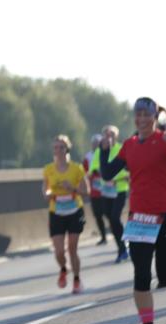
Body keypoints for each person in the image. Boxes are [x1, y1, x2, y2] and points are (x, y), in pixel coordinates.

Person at [99, 98, 166, 324]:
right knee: (141, 276)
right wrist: (103, 148)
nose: (142, 119)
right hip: (139, 219)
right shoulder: (129, 145)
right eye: (138, 114)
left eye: (146, 114)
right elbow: (108, 173)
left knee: (165, 276)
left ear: (155, 117)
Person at [43, 135, 90, 293]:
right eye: (55, 148)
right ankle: (64, 268)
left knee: (72, 248)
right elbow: (45, 188)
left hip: (74, 210)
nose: (58, 151)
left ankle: (77, 280)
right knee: (58, 251)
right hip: (56, 210)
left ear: (67, 149)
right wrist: (48, 193)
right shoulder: (48, 169)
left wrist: (72, 188)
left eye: (61, 147)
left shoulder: (76, 168)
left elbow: (86, 191)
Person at [91, 125, 130, 263]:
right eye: (106, 134)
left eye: (112, 134)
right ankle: (122, 247)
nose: (109, 137)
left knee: (115, 217)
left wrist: (116, 178)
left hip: (120, 189)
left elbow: (128, 171)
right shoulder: (99, 151)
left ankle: (123, 248)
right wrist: (101, 174)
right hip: (106, 191)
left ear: (117, 136)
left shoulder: (121, 148)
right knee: (111, 220)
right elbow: (94, 169)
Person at [84, 134, 108, 245]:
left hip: (107, 191)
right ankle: (103, 236)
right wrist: (91, 174)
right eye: (93, 143)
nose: (95, 145)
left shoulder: (107, 154)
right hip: (94, 191)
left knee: (109, 214)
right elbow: (85, 172)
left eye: (97, 143)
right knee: (97, 215)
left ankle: (116, 233)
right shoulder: (88, 157)